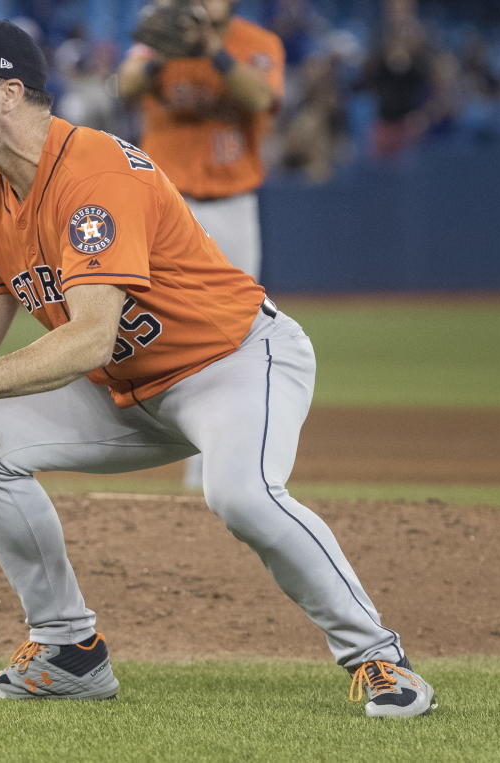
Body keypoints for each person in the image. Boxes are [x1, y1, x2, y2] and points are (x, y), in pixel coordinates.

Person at [0, 19, 436, 718]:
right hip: (129, 391)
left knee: (241, 495)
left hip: (233, 363)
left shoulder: (93, 172)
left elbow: (91, 337)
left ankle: (380, 659)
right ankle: (69, 650)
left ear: (8, 94)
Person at [116, 0, 284, 488]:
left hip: (230, 204)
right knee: (147, 329)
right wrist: (161, 54)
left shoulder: (256, 44)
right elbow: (123, 87)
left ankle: (217, 468)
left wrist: (212, 51)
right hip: (162, 207)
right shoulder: (157, 42)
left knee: (234, 337)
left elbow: (258, 99)